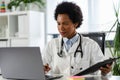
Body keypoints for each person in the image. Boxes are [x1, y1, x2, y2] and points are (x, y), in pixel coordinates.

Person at [42, 1, 112, 76]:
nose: (61, 28)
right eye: (59, 23)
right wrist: (43, 69)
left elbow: (100, 72)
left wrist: (104, 72)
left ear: (75, 23)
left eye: (65, 23)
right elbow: (41, 66)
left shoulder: (91, 45)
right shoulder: (51, 45)